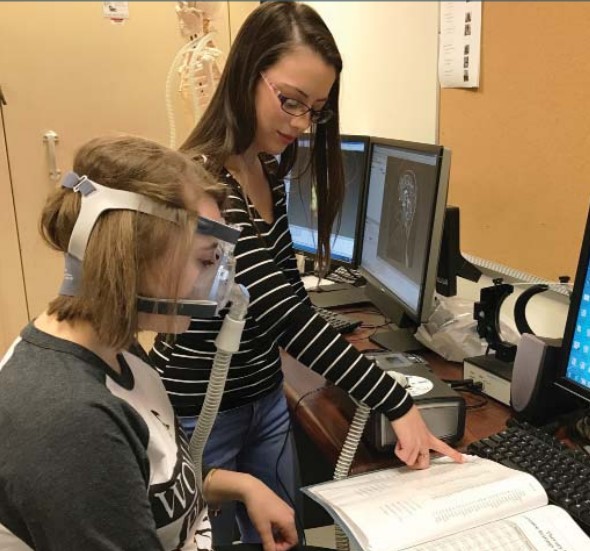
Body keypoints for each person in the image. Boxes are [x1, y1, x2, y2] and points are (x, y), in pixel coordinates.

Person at [150, 1, 464, 545]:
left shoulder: (266, 167)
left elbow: (287, 288)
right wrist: (397, 398)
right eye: (290, 101)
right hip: (203, 410)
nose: (301, 123)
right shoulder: (203, 185)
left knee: (280, 536)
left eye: (315, 110)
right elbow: (281, 313)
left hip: (263, 397)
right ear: (248, 72)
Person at [0, 135, 298, 551]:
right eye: (206, 259)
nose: (220, 282)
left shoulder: (115, 346)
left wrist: (242, 484)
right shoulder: (69, 419)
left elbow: (153, 485)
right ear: (135, 255)